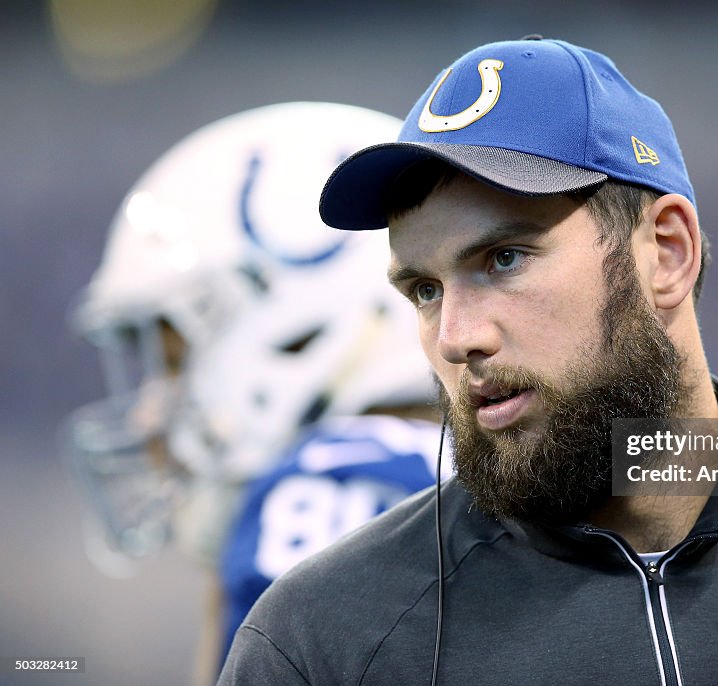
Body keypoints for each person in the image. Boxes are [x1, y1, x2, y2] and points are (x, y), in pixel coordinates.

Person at [218, 39, 718, 685]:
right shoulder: (322, 642)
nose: (456, 336)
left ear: (666, 253)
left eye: (503, 259)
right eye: (424, 289)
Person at [63, 102, 446, 684]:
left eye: (173, 362)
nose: (148, 413)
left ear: (291, 335)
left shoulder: (324, 487)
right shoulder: (515, 467)